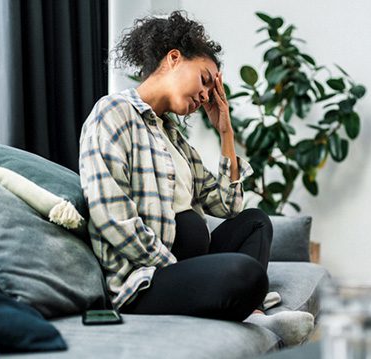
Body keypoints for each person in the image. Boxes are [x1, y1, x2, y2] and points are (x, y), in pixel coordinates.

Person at [79, 10, 313, 345]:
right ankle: (254, 313)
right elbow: (111, 217)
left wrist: (225, 131)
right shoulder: (112, 114)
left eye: (211, 89)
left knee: (256, 222)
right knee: (244, 275)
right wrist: (171, 266)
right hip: (148, 280)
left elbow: (228, 206)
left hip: (187, 267)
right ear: (174, 58)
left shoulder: (173, 135)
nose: (206, 96)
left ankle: (248, 310)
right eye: (205, 80)